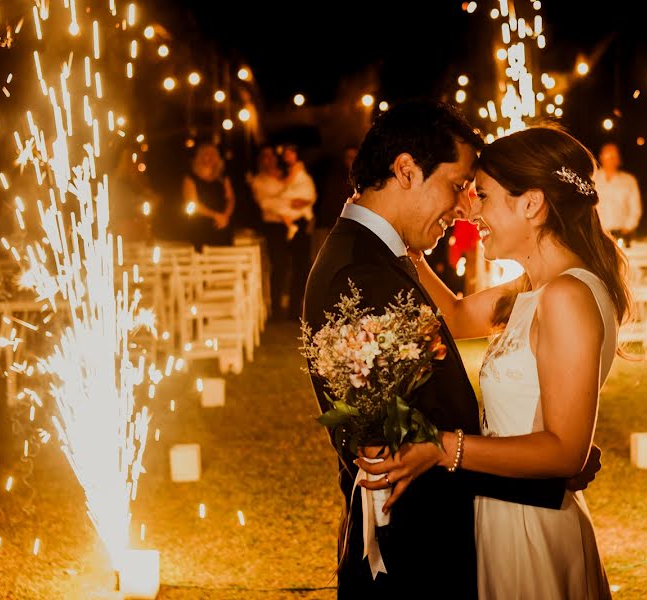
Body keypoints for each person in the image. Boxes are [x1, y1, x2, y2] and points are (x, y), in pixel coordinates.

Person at [303, 102, 601, 599]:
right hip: (414, 557)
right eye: (459, 185)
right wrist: (550, 475)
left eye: (477, 192)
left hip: (450, 544)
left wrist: (557, 456)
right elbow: (395, 456)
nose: (466, 208)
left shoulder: (378, 260)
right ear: (405, 170)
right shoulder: (361, 274)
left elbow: (430, 422)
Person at [249, 145, 291, 319]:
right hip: (274, 226)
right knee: (278, 264)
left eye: (271, 156)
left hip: (293, 223)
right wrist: (282, 208)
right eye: (264, 156)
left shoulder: (286, 176)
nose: (269, 160)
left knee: (293, 265)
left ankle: (294, 306)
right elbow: (265, 203)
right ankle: (275, 307)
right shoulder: (259, 181)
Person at [281, 144, 317, 320]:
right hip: (292, 223)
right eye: (285, 154)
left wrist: (296, 202)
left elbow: (307, 199)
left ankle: (298, 308)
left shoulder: (300, 175)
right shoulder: (288, 176)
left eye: (290, 153)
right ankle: (295, 308)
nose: (287, 157)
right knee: (296, 267)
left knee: (301, 266)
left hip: (300, 224)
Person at [182, 143, 235, 247]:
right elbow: (192, 203)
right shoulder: (190, 178)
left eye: (213, 154)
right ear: (200, 157)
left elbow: (230, 198)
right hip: (201, 225)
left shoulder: (223, 178)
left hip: (222, 224)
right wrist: (215, 216)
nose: (210, 157)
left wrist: (225, 216)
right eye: (207, 154)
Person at [594, 142, 642, 241]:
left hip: (622, 234)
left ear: (619, 158)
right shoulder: (593, 179)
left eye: (614, 155)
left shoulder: (629, 180)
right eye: (608, 155)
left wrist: (628, 228)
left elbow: (635, 208)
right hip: (597, 234)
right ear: (601, 157)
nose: (611, 158)